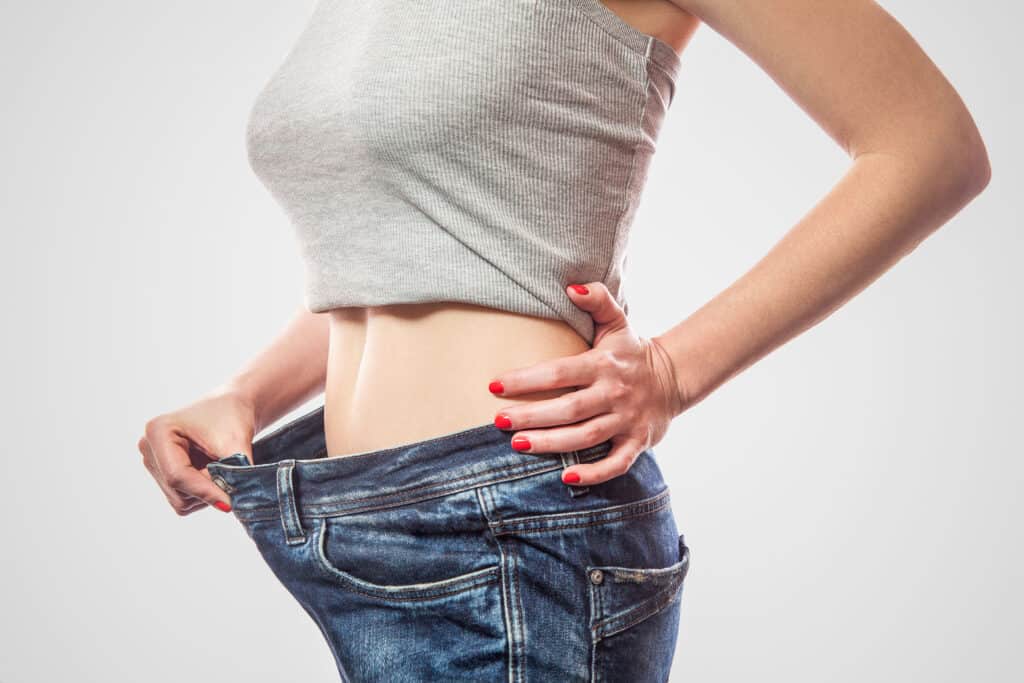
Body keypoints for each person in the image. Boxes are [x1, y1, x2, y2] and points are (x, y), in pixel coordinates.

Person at [138, 1, 990, 680]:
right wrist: (246, 394)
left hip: (513, 525)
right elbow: (425, 250)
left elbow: (928, 145)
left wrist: (671, 372)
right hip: (353, 522)